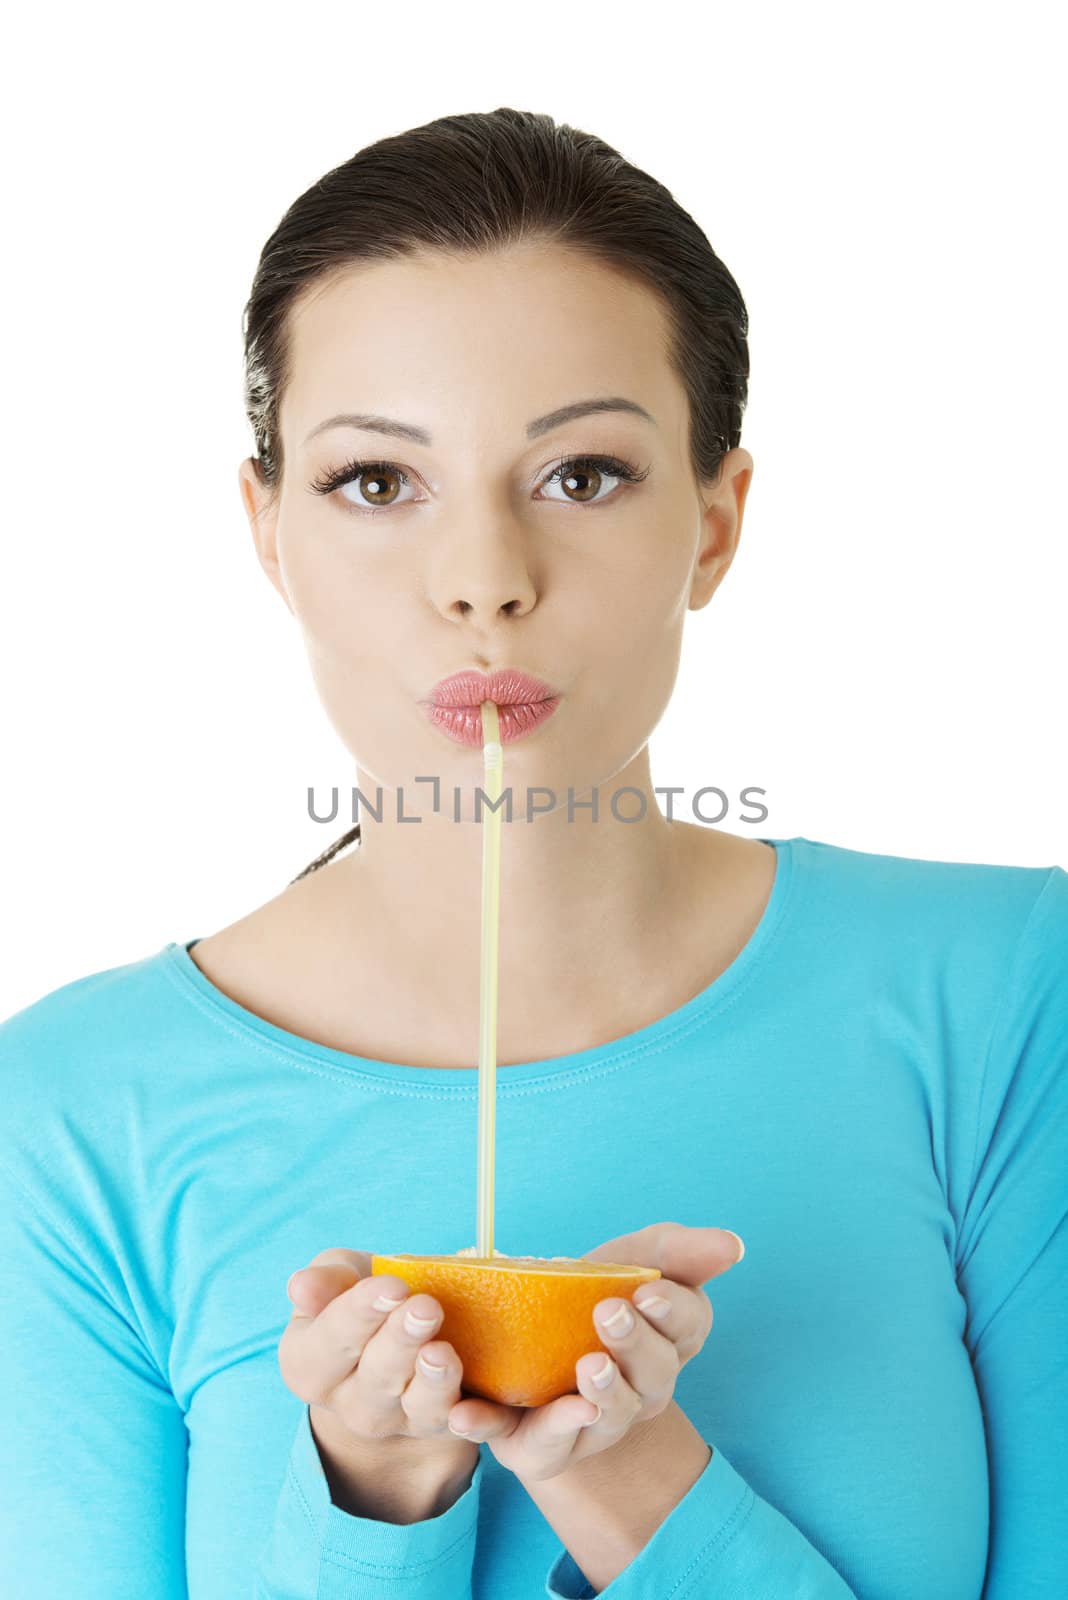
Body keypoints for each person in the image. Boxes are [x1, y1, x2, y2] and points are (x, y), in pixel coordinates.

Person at [1, 106, 1065, 1600]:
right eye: (378, 482)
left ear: (714, 520)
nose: (485, 582)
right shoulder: (60, 1119)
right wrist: (372, 1500)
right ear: (269, 533)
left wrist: (626, 1478)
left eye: (583, 476)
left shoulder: (1016, 998)